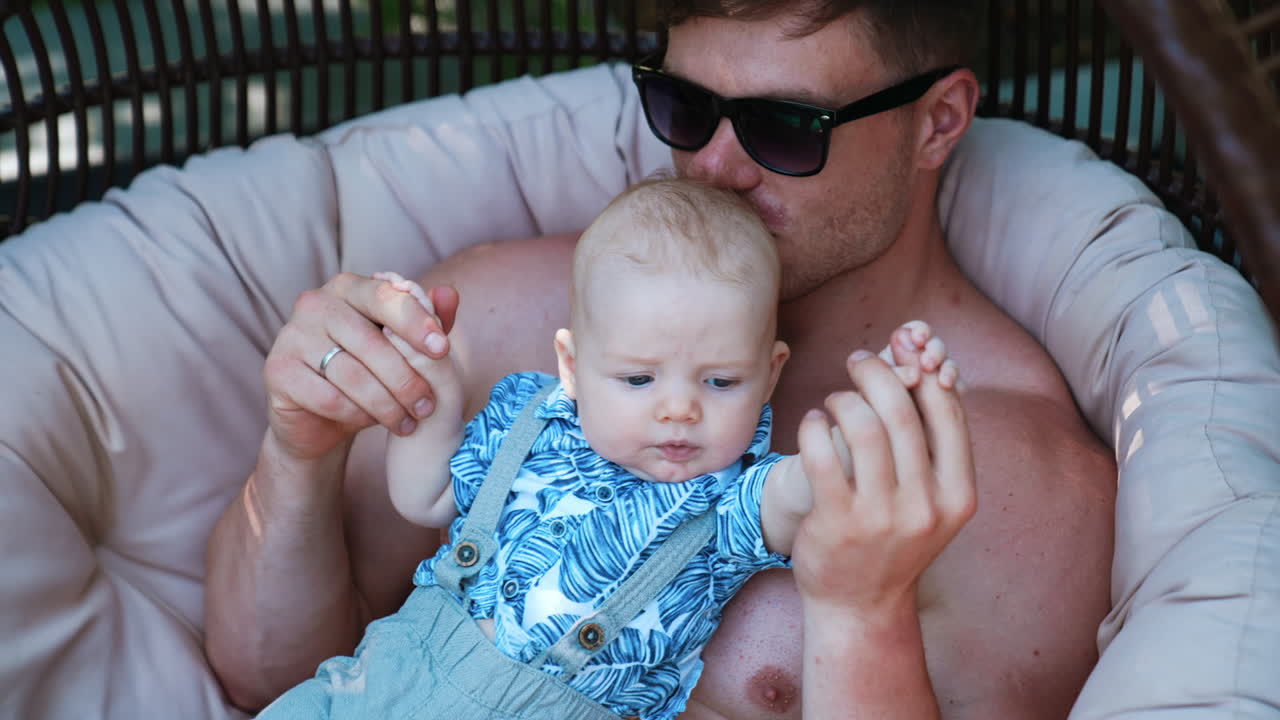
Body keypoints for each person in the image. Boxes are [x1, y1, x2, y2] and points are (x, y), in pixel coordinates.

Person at [205, 1, 1117, 718]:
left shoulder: (1019, 490)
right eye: (685, 108)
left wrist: (860, 615)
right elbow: (265, 676)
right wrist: (298, 450)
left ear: (938, 121)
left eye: (786, 126)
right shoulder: (512, 313)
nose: (717, 167)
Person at [253, 177, 967, 719]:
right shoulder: (525, 423)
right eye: (637, 377)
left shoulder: (728, 503)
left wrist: (882, 416)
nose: (679, 407)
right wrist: (431, 389)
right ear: (572, 364)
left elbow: (810, 488)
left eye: (720, 380)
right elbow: (424, 496)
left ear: (770, 374)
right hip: (373, 689)